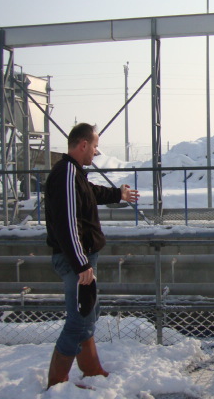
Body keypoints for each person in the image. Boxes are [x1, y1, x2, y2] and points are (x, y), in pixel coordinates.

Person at [45, 123, 139, 389]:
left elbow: (90, 193)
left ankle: (91, 368)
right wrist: (81, 263)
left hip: (82, 258)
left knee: (89, 312)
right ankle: (57, 381)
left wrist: (117, 194)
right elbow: (67, 223)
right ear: (83, 144)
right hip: (77, 260)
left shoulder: (74, 173)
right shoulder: (65, 174)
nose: (96, 152)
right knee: (79, 319)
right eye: (95, 146)